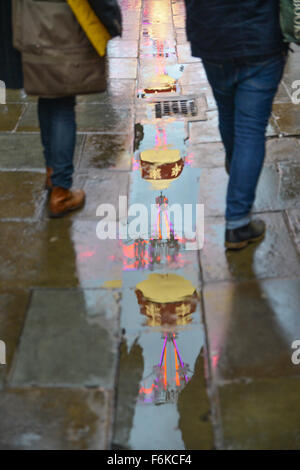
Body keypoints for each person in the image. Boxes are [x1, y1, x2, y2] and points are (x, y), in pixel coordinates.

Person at [1, 0, 121, 218]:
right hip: (62, 27)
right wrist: (112, 19)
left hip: (30, 27)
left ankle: (52, 173)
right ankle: (61, 192)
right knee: (63, 106)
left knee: (48, 97)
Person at [184, 0, 288, 249]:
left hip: (211, 36)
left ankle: (238, 165)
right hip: (260, 38)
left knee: (227, 112)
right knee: (251, 130)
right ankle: (238, 222)